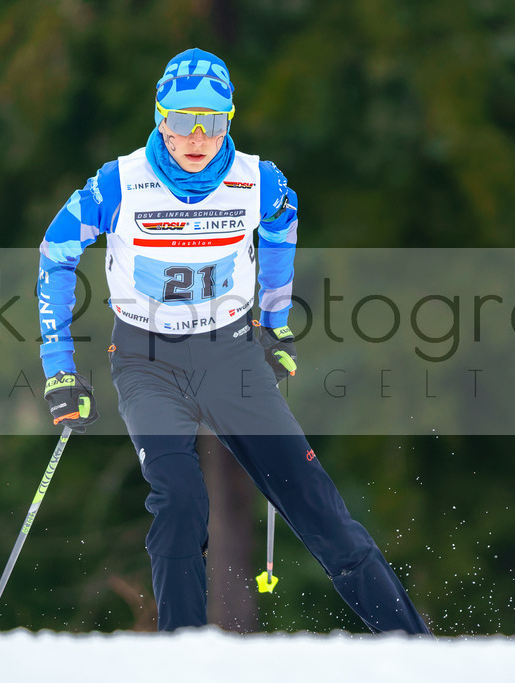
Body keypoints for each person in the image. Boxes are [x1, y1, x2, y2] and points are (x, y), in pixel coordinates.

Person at [36, 47, 430, 635]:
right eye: (181, 120)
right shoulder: (118, 184)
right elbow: (55, 252)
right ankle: (184, 654)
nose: (196, 137)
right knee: (179, 499)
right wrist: (59, 366)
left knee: (317, 506)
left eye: (212, 122)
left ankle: (413, 646)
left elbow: (280, 231)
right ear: (159, 117)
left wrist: (274, 323)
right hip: (148, 360)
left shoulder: (258, 182)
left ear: (229, 120)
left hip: (231, 354)